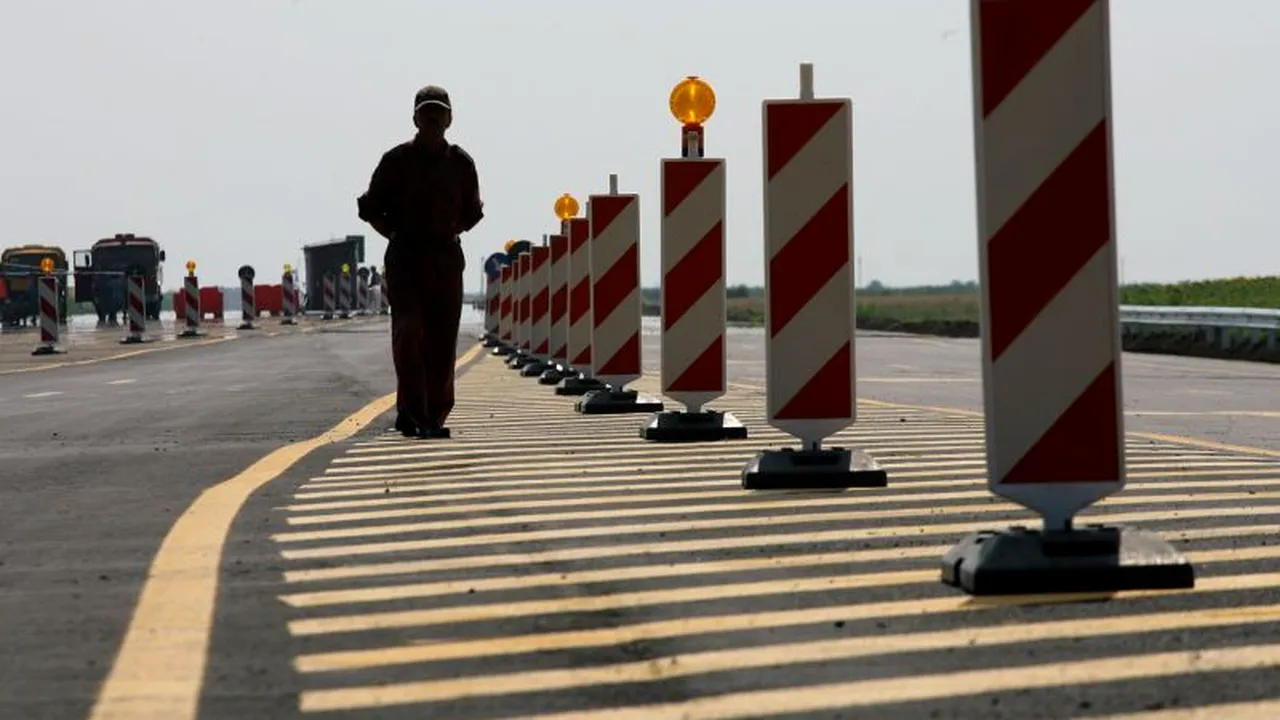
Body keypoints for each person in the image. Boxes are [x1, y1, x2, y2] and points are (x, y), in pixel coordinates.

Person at [356, 85, 484, 438]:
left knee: (442, 341)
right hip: (406, 259)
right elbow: (368, 207)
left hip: (445, 258)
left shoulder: (461, 163)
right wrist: (393, 234)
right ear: (415, 117)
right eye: (426, 112)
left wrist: (451, 231)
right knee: (409, 333)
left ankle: (434, 415)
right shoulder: (396, 160)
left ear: (449, 118)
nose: (432, 118)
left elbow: (474, 212)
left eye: (438, 112)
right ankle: (413, 411)